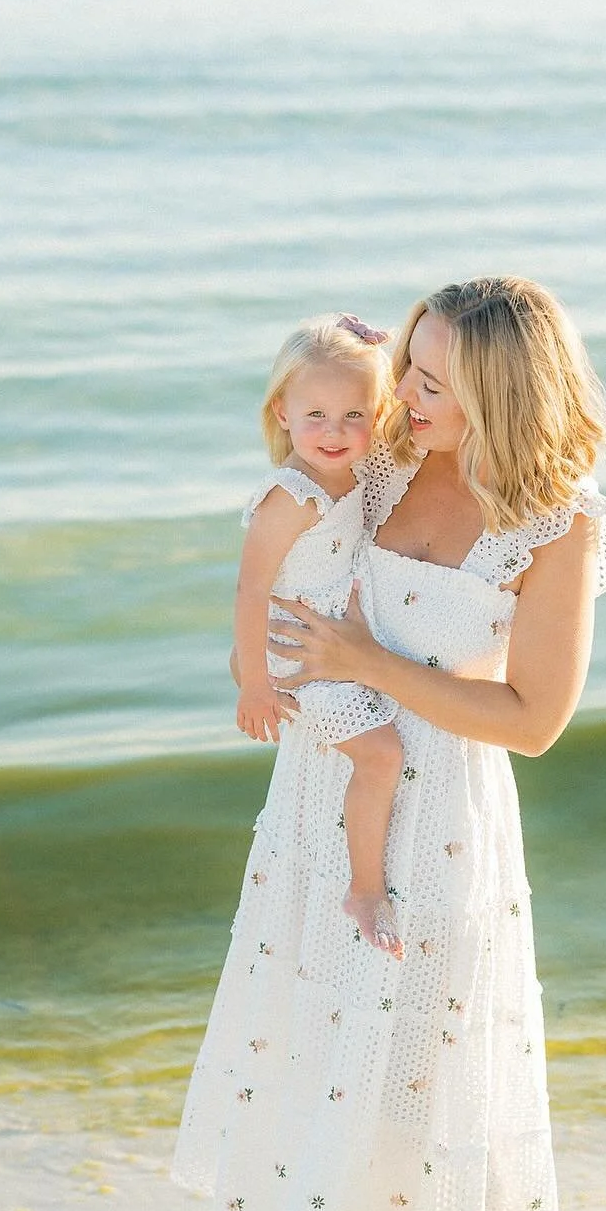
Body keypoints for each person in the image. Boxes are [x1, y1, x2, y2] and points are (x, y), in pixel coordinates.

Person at [172, 277, 606, 1211]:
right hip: (333, 783)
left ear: (501, 393)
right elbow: (294, 489)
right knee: (364, 1024)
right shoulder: (381, 462)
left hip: (448, 801)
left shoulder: (555, 521)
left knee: (455, 1027)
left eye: (432, 381)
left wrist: (365, 659)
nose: (404, 396)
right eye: (409, 370)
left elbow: (531, 718)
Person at [232, 312, 407, 957]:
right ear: (282, 411)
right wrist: (255, 682)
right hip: (299, 655)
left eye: (354, 417)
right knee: (381, 753)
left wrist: (380, 345)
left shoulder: (358, 471)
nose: (335, 432)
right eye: (316, 416)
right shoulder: (294, 495)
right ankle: (365, 889)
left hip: (331, 640)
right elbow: (251, 590)